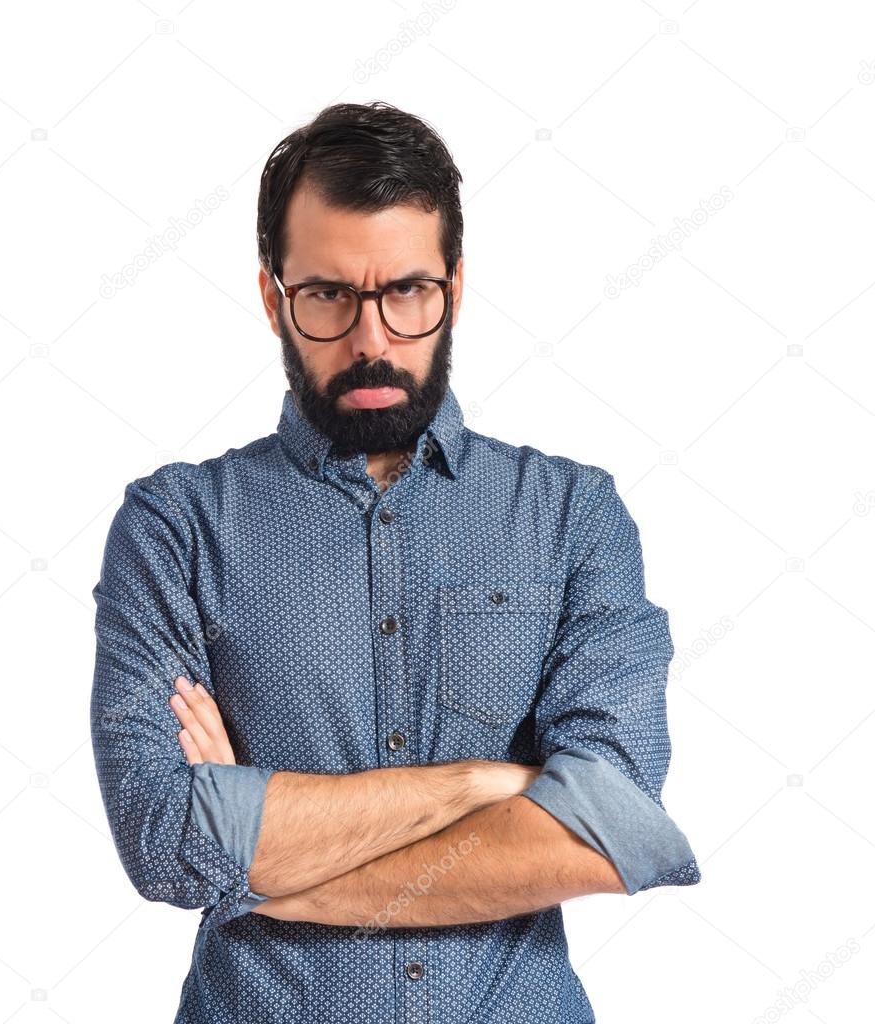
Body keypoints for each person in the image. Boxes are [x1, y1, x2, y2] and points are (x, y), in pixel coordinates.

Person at [90, 100, 701, 1024]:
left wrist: (267, 868)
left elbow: (607, 826)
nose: (372, 339)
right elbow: (166, 839)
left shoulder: (574, 515)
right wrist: (477, 782)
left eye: (405, 292)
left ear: (454, 288)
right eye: (329, 294)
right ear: (272, 297)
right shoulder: (175, 526)